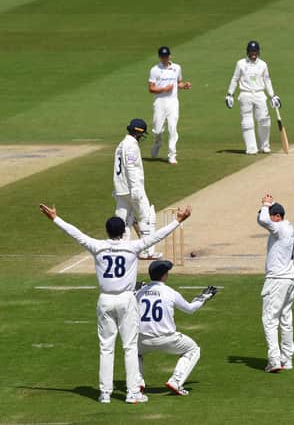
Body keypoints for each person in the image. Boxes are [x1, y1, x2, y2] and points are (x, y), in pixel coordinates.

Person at [38, 203, 192, 403]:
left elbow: (75, 234)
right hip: (126, 299)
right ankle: (132, 393)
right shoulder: (132, 246)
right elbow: (157, 237)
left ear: (107, 232)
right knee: (129, 347)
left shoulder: (97, 246)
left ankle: (105, 393)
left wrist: (55, 218)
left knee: (106, 347)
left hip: (105, 300)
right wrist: (177, 221)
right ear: (124, 232)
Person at [136, 260, 217, 396]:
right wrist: (202, 298)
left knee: (134, 352)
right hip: (167, 339)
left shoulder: (139, 293)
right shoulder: (170, 293)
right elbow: (190, 309)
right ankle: (176, 380)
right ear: (164, 275)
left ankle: (137, 382)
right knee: (193, 349)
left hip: (143, 340)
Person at [256, 194, 294, 373]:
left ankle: (274, 360)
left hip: (277, 280)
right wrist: (265, 207)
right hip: (289, 279)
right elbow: (263, 217)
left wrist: (266, 204)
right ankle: (286, 359)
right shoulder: (287, 227)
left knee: (269, 320)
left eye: (271, 215)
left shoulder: (280, 228)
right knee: (286, 320)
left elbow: (263, 220)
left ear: (277, 216)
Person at [113, 118, 163, 259]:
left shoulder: (121, 144)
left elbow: (118, 169)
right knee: (147, 218)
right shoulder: (131, 146)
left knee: (123, 221)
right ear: (138, 133)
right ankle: (147, 251)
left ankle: (120, 251)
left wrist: (117, 188)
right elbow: (130, 167)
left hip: (121, 189)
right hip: (133, 189)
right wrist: (135, 188)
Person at [226, 40, 282, 155]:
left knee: (265, 121)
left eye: (255, 52)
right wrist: (230, 94)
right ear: (248, 52)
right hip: (245, 94)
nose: (253, 54)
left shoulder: (263, 64)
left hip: (260, 94)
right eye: (251, 52)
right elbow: (235, 79)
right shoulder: (240, 63)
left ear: (258, 52)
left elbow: (267, 80)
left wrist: (272, 95)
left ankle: (264, 146)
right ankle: (251, 148)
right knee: (247, 122)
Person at [148, 46, 192, 165]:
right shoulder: (155, 70)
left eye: (166, 56)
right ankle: (158, 143)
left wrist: (185, 85)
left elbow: (178, 83)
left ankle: (172, 155)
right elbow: (151, 88)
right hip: (160, 102)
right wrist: (163, 89)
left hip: (173, 102)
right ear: (159, 57)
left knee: (173, 129)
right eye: (162, 56)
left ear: (170, 56)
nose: (164, 58)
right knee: (157, 130)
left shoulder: (176, 68)